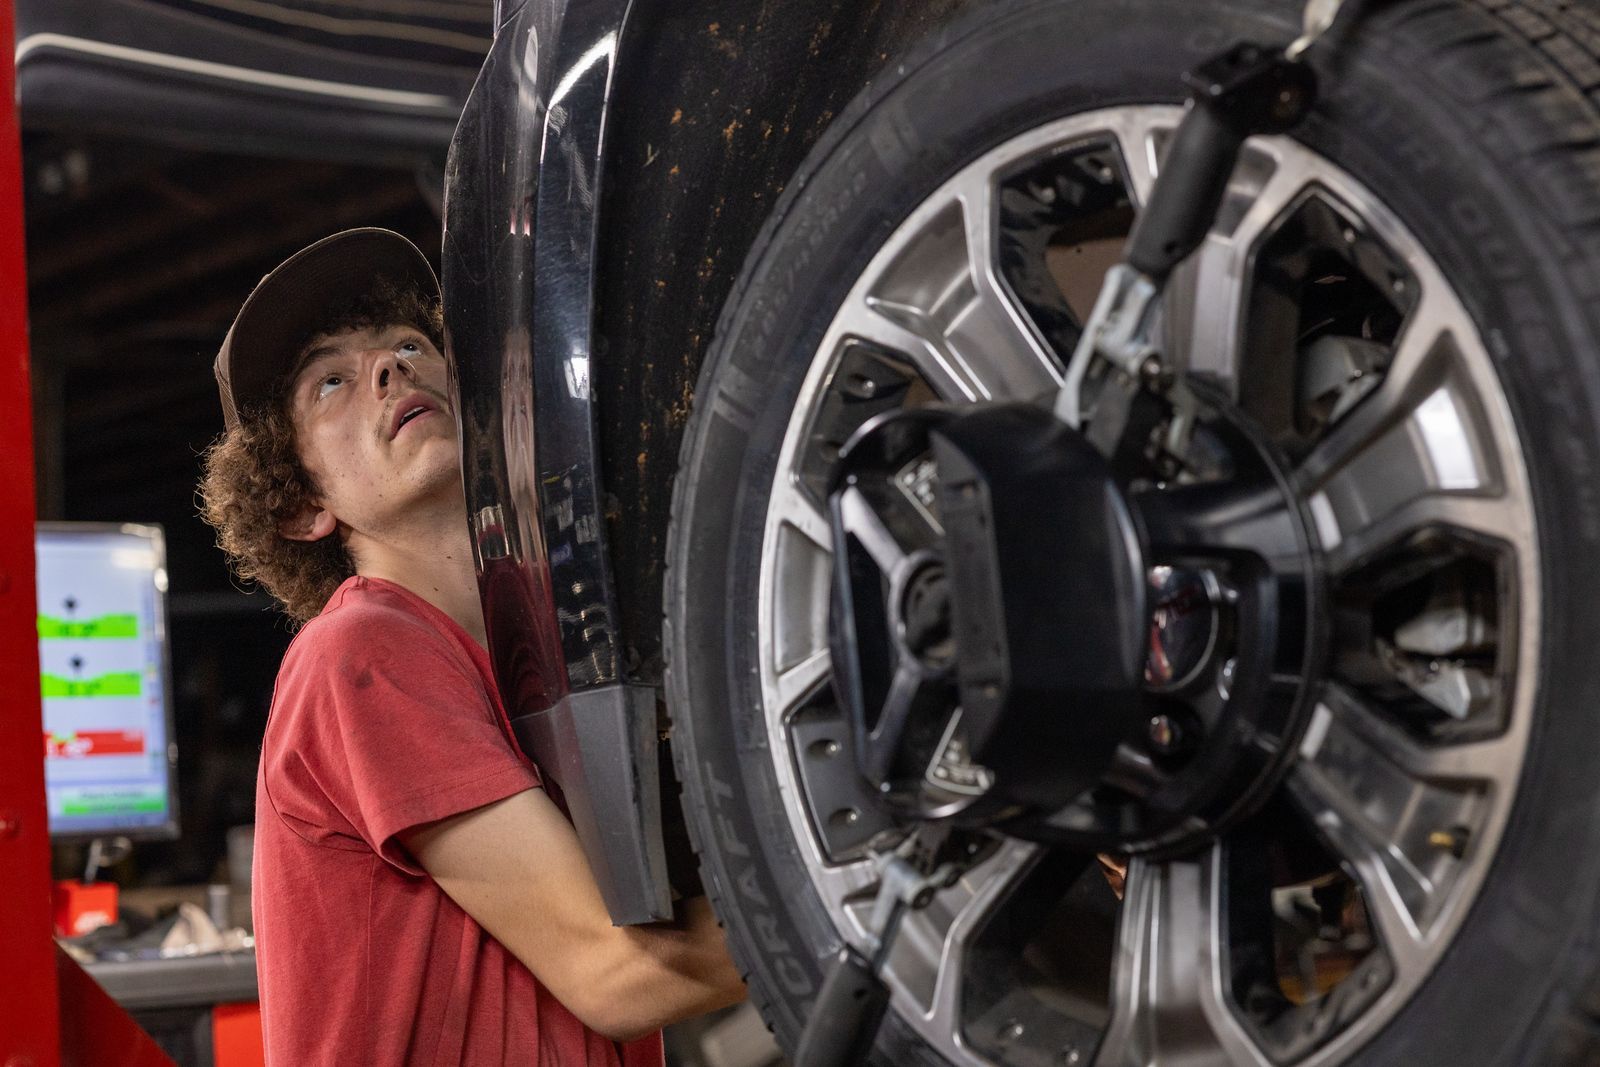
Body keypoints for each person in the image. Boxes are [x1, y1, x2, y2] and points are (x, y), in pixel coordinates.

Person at [198, 228, 746, 1065]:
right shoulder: (362, 651)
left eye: (410, 345)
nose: (392, 368)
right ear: (301, 504)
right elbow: (617, 968)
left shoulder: (546, 664)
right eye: (331, 382)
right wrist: (871, 891)